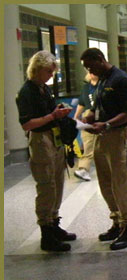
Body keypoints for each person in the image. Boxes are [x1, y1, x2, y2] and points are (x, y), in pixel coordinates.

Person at [16, 50, 75, 252]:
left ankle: (54, 222)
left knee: (58, 181)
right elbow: (27, 124)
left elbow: (48, 112)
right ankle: (46, 232)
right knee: (46, 184)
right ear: (38, 69)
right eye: (49, 72)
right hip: (40, 139)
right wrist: (52, 116)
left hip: (53, 137)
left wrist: (58, 111)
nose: (51, 76)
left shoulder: (44, 88)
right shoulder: (27, 92)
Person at [80, 48, 127, 250]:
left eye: (91, 66)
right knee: (105, 182)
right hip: (101, 136)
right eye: (87, 68)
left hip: (116, 136)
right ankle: (117, 222)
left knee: (120, 182)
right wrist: (91, 116)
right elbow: (99, 105)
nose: (90, 70)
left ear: (100, 59)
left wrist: (106, 124)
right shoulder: (101, 80)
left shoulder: (121, 80)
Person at [73, 72, 99, 182]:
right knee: (88, 142)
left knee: (95, 144)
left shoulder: (103, 85)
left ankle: (84, 168)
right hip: (88, 116)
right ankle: (83, 169)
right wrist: (76, 116)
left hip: (101, 114)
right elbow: (82, 103)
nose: (91, 73)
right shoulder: (86, 87)